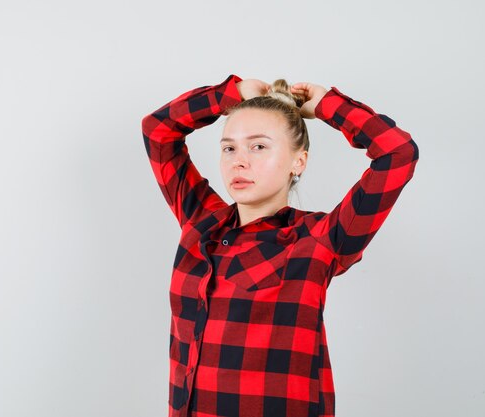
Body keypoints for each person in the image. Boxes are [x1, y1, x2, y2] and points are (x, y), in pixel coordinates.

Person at [141, 74, 419, 417]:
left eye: (258, 146)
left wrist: (329, 104)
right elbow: (157, 130)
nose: (238, 161)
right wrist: (228, 94)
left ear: (298, 161)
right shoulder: (200, 221)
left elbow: (398, 152)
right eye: (229, 147)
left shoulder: (320, 239)